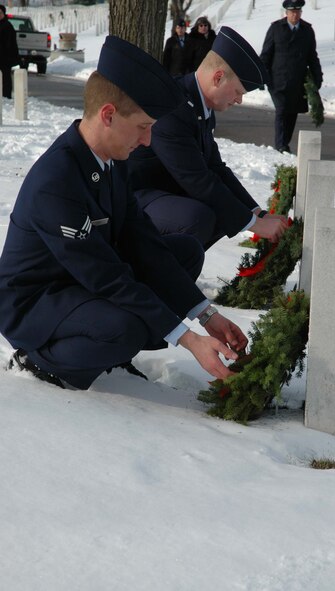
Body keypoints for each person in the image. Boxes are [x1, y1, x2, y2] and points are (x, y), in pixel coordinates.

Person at [0, 35, 248, 391]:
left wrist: (206, 316)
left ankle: (111, 348)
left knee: (183, 253)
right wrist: (188, 340)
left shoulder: (112, 162)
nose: (148, 141)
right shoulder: (56, 181)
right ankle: (41, 360)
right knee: (125, 329)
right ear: (109, 115)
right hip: (40, 300)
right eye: (144, 127)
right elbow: (107, 276)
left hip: (84, 281)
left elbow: (143, 243)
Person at [128, 26, 288, 251]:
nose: (239, 100)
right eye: (238, 92)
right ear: (218, 77)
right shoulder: (173, 106)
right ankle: (154, 280)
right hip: (135, 198)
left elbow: (215, 167)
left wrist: (256, 213)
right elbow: (196, 178)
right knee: (199, 217)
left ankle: (174, 277)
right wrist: (255, 225)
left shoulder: (200, 104)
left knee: (226, 211)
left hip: (165, 193)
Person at [260, 0, 323, 153]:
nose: (295, 14)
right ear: (286, 13)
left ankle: (285, 142)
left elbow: (312, 56)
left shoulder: (307, 31)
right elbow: (266, 54)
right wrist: (261, 76)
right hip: (278, 80)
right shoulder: (276, 28)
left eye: (297, 11)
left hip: (298, 81)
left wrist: (317, 77)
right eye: (292, 12)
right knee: (281, 110)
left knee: (292, 112)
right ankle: (280, 145)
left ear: (301, 12)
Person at [0, 4, 19, 99]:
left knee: (5, 77)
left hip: (5, 57)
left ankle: (6, 96)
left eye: (0, 13)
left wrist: (10, 56)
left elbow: (10, 43)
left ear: (4, 14)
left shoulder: (7, 26)